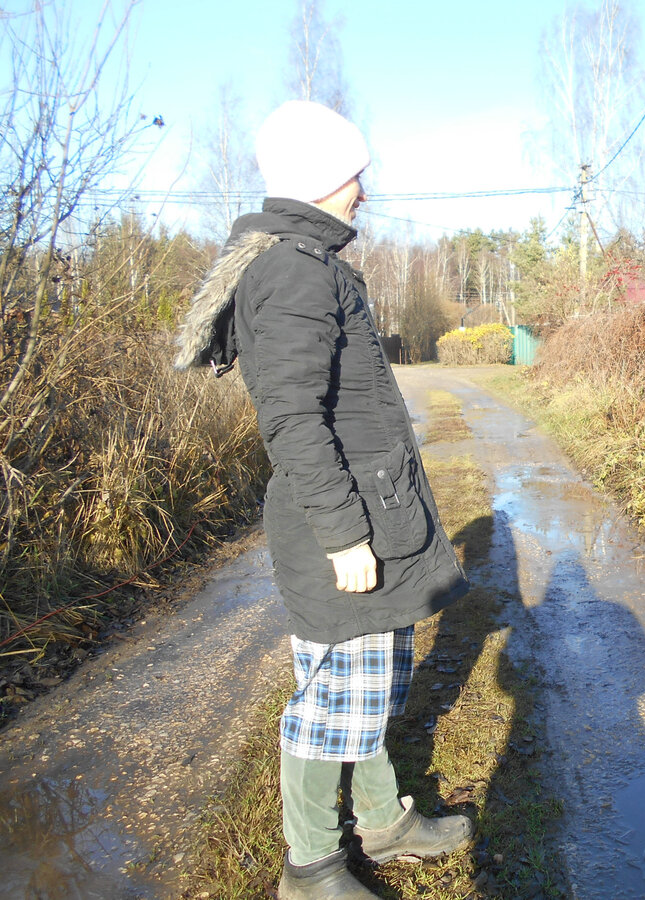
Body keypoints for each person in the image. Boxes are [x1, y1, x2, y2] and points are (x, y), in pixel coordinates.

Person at [174, 100, 472, 900]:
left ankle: (381, 821)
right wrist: (345, 536)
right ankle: (309, 867)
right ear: (318, 179)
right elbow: (293, 421)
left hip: (368, 515)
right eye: (354, 174)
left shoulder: (308, 261)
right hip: (339, 527)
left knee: (366, 686)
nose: (363, 191)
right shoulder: (294, 272)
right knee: (331, 699)